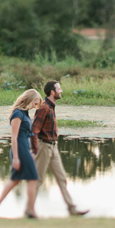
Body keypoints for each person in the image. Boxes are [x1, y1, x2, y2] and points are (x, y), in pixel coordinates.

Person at [31, 80, 89, 216]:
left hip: (53, 147)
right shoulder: (44, 107)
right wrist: (34, 150)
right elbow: (34, 130)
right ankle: (30, 209)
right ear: (52, 92)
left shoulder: (51, 107)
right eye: (59, 89)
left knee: (62, 178)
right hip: (44, 147)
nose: (61, 91)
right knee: (38, 180)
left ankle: (72, 209)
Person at [0, 89, 43, 219]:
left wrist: (31, 151)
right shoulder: (17, 114)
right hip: (19, 149)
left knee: (15, 179)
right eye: (35, 103)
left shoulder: (25, 113)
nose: (35, 106)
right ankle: (31, 210)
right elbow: (14, 138)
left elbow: (26, 135)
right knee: (33, 178)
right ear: (29, 99)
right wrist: (16, 158)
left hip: (25, 148)